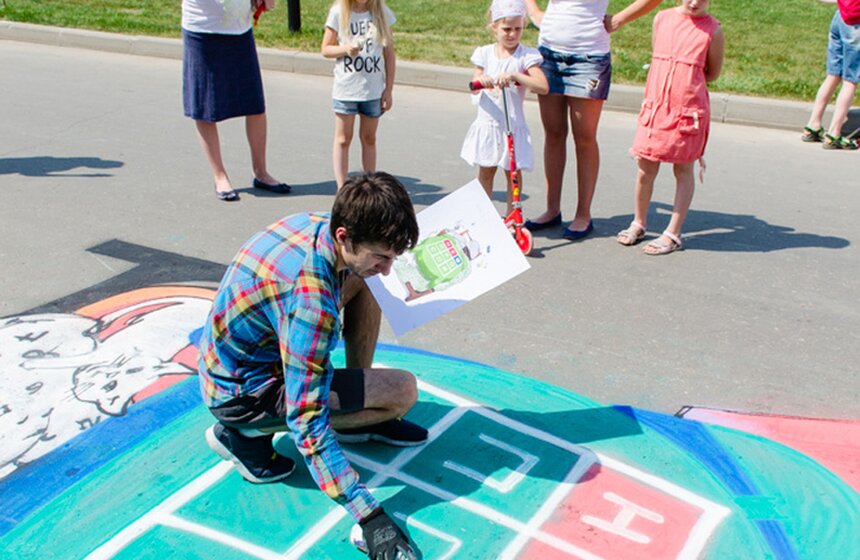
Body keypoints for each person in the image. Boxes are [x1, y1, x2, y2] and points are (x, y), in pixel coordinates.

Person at [197, 172, 423, 559]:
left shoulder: (320, 225)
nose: (388, 268)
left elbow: (358, 268)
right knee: (402, 391)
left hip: (236, 361)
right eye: (381, 256)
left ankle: (359, 402)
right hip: (244, 393)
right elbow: (307, 420)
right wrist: (369, 517)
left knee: (364, 279)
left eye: (393, 257)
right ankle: (242, 437)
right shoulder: (310, 304)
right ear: (344, 236)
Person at [521, 0, 662, 239]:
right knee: (553, 133)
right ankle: (552, 209)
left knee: (584, 137)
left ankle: (583, 214)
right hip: (548, 54)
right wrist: (533, 11)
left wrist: (619, 19)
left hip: (589, 57)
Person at [617, 0, 724, 255]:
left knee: (683, 168)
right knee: (646, 166)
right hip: (657, 106)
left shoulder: (713, 30)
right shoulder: (662, 19)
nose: (695, 2)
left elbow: (712, 72)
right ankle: (639, 222)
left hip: (687, 110)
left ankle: (673, 232)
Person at [182, 0, 292, 201]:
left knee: (255, 104)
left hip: (240, 29)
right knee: (206, 107)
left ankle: (261, 172)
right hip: (203, 29)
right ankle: (220, 175)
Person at [460, 0, 549, 215]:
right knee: (486, 171)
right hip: (489, 123)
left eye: (517, 29)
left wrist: (517, 76)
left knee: (513, 173)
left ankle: (513, 217)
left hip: (512, 124)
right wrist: (485, 80)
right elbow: (474, 84)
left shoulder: (525, 56)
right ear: (494, 28)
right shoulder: (485, 53)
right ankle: (482, 214)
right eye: (506, 29)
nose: (512, 34)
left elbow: (543, 86)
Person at [322, 0, 397, 189]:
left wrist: (388, 89)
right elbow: (326, 48)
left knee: (369, 138)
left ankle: (368, 187)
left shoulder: (381, 13)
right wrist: (345, 49)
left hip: (372, 90)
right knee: (343, 138)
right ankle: (342, 188)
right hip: (347, 88)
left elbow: (389, 54)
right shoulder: (339, 12)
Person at [801, 0, 860, 150]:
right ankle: (834, 134)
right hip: (855, 24)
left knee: (833, 75)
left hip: (839, 17)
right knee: (851, 81)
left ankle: (813, 125)